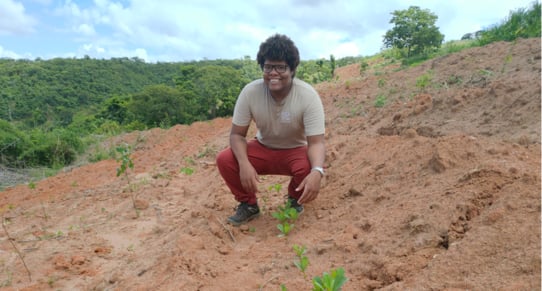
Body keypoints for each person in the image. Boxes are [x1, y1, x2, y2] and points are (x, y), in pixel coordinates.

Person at [216, 34, 326, 226]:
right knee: (226, 159)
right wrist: (244, 164)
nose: (273, 73)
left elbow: (316, 142)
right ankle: (248, 205)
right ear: (262, 68)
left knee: (309, 166)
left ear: (292, 70)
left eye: (281, 67)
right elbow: (237, 135)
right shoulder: (250, 92)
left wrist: (317, 172)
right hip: (263, 147)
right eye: (268, 67)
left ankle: (294, 199)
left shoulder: (308, 96)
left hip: (295, 150)